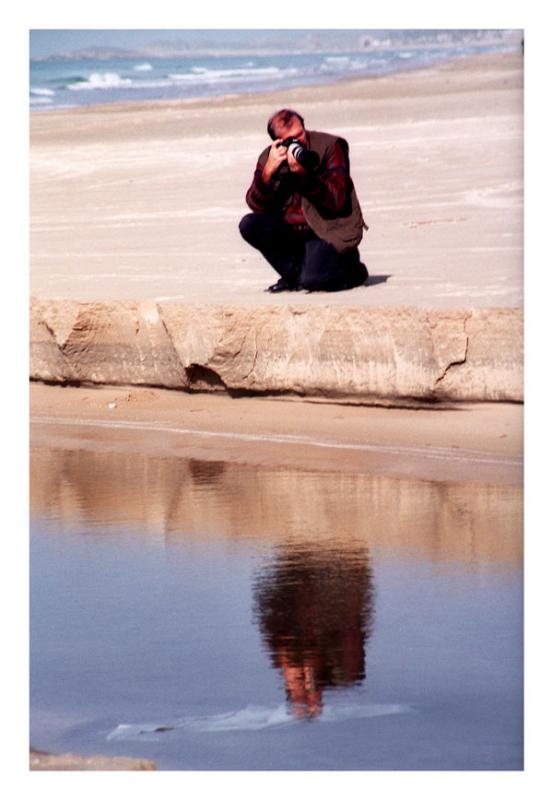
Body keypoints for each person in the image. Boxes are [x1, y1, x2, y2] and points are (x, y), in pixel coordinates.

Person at [239, 108, 369, 293]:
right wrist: (267, 174)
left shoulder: (330, 146)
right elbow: (256, 205)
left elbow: (337, 201)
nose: (299, 140)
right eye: (291, 139)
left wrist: (305, 175)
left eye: (301, 133)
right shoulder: (271, 156)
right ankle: (294, 275)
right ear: (278, 141)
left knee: (314, 282)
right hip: (293, 231)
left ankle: (353, 270)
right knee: (249, 224)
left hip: (327, 230)